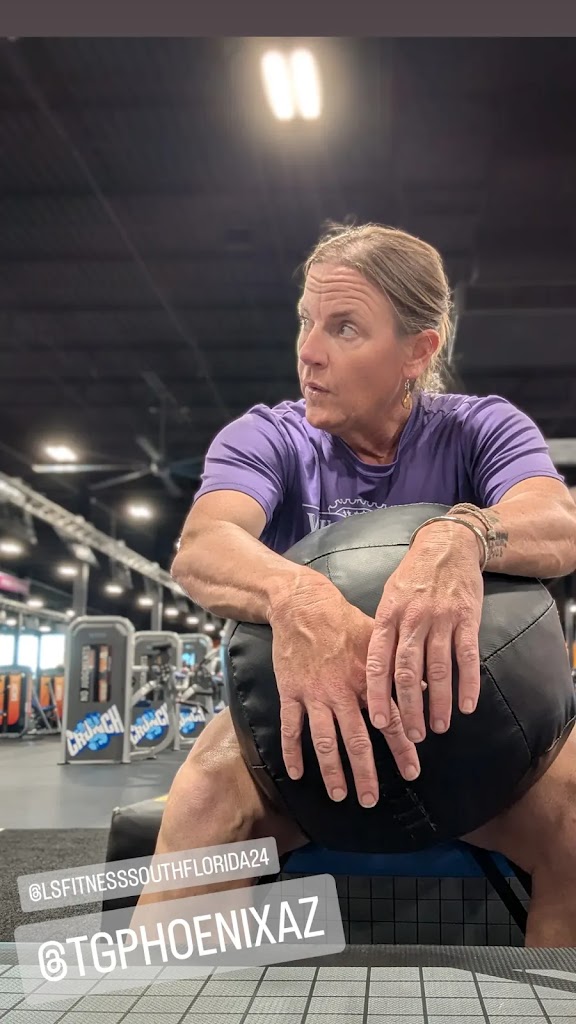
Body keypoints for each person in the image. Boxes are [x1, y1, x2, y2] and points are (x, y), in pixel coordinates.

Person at [139, 223, 576, 946]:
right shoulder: (271, 437)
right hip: (298, 732)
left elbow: (559, 521)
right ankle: (160, 997)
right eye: (306, 320)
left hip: (479, 731)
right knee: (207, 792)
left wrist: (462, 535)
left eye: (344, 327)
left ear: (418, 351)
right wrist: (298, 596)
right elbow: (204, 546)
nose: (309, 351)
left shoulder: (481, 429)